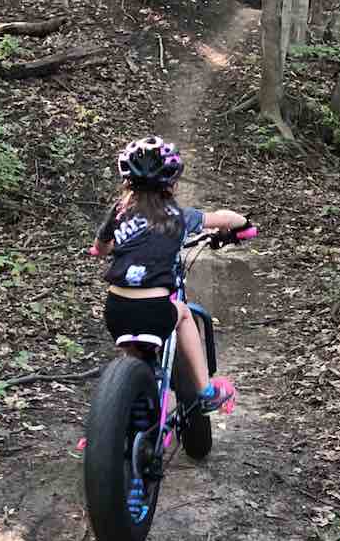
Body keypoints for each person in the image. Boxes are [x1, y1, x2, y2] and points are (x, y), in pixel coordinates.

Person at [91, 136, 249, 413]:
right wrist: (244, 225)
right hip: (154, 310)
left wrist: (110, 247)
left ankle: (111, 419)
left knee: (131, 351)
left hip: (115, 310)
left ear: (127, 183)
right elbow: (223, 219)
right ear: (172, 184)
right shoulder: (179, 216)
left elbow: (101, 248)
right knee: (185, 313)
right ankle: (206, 391)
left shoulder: (118, 213)